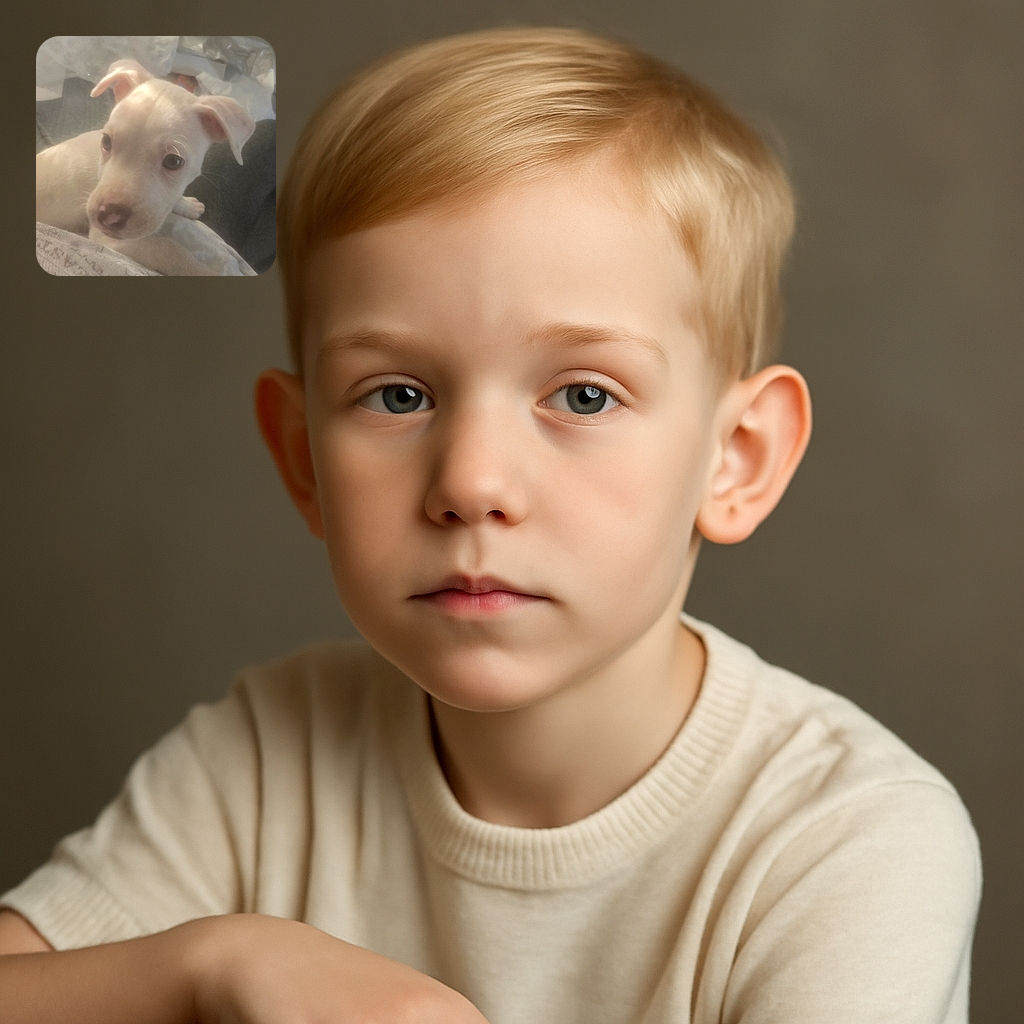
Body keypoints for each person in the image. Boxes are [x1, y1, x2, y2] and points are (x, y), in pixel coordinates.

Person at [0, 25, 980, 1023]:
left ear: (737, 460)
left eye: (584, 396)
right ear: (302, 458)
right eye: (395, 394)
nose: (470, 482)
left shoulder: (853, 838)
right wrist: (203, 965)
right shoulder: (264, 754)